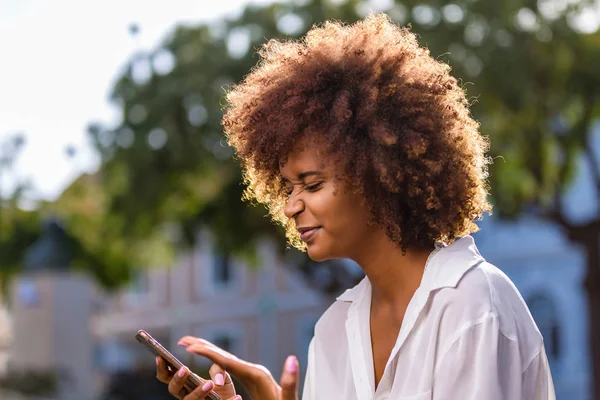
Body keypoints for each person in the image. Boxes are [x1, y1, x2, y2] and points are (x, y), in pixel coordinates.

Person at [156, 13, 556, 400]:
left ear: (377, 175)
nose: (292, 206)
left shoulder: (472, 303)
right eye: (287, 187)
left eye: (311, 184)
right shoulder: (333, 332)